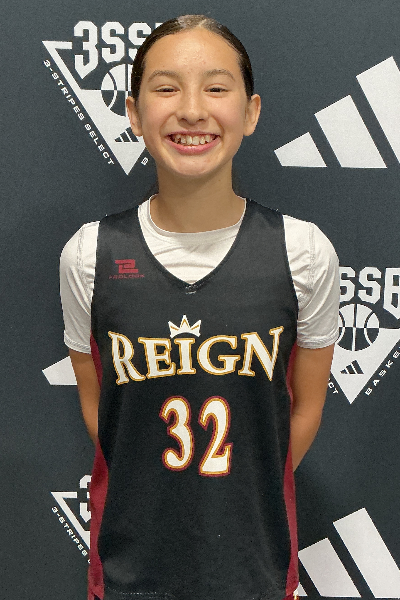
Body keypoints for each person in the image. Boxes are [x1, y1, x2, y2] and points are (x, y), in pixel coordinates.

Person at [60, 14, 340, 600]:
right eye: (166, 88)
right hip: (129, 572)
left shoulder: (303, 252)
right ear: (134, 113)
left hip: (255, 569)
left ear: (251, 111)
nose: (191, 110)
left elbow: (306, 408)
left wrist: (238, 488)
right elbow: (99, 405)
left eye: (216, 88)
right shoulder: (89, 254)